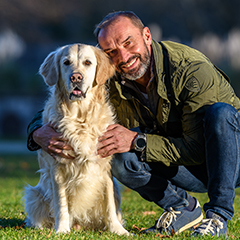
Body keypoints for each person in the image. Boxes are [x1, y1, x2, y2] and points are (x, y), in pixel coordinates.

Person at [27, 11, 240, 237]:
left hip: (229, 162)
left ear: (147, 36)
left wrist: (138, 141)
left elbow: (197, 149)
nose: (123, 55)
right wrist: (36, 133)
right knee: (116, 153)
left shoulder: (190, 70)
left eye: (128, 42)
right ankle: (183, 208)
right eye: (111, 52)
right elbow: (58, 105)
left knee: (220, 113)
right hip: (182, 165)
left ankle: (218, 216)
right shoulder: (110, 75)